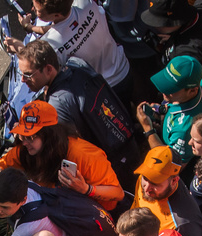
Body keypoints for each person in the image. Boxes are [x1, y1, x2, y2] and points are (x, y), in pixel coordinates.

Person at [0, 101, 123, 211]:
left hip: (98, 215)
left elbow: (117, 194)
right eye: (23, 136)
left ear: (50, 135)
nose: (24, 142)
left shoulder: (84, 155)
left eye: (31, 137)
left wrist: (86, 189)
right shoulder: (29, 150)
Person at [14, 40, 140, 179]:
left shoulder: (57, 105)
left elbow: (67, 148)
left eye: (28, 75)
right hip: (126, 135)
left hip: (115, 163)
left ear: (49, 69)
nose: (23, 80)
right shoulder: (77, 63)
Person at [19, 0, 129, 92]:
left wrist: (26, 27)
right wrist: (30, 27)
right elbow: (65, 27)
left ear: (56, 15)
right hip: (124, 68)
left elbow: (61, 30)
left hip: (104, 90)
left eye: (37, 11)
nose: (33, 9)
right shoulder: (86, 3)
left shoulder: (50, 45)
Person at [130, 146, 202, 236]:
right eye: (146, 178)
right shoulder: (145, 183)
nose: (146, 188)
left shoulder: (185, 223)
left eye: (155, 182)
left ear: (174, 180)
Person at [138, 56, 202, 167]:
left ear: (192, 90)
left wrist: (148, 129)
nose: (163, 91)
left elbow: (171, 165)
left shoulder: (184, 129)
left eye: (171, 89)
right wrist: (164, 110)